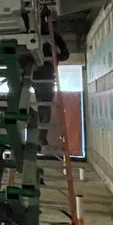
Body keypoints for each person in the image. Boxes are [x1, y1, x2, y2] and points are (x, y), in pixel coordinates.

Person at [32, 8, 69, 147]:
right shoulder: (52, 35)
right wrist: (54, 58)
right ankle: (40, 136)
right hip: (42, 72)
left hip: (38, 72)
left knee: (43, 106)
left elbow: (65, 55)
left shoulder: (50, 35)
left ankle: (39, 135)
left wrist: (53, 58)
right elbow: (65, 55)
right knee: (44, 106)